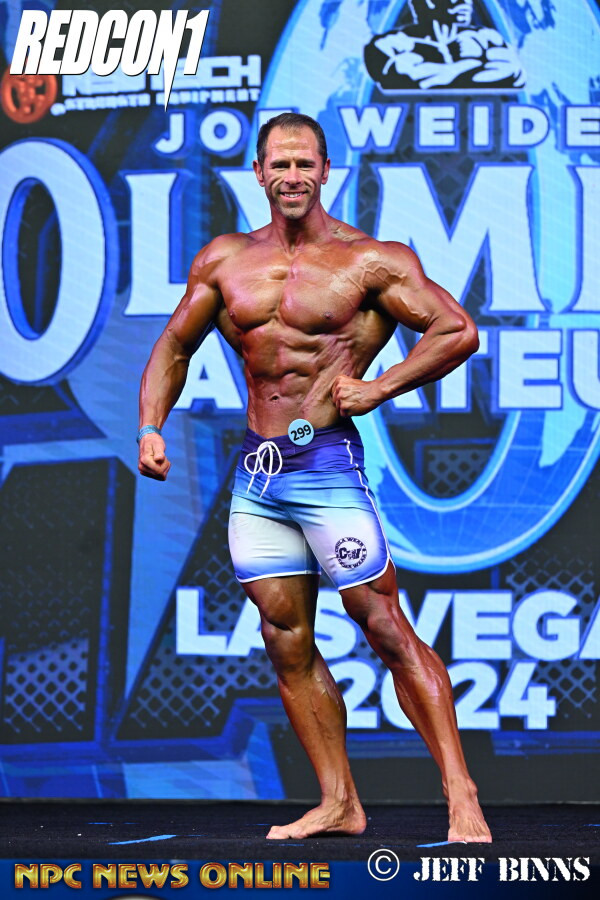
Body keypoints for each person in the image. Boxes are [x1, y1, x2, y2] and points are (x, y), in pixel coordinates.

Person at [137, 112, 492, 843]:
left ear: (326, 171)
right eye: (280, 164)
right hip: (259, 475)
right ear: (259, 173)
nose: (292, 176)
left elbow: (457, 329)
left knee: (383, 624)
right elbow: (174, 344)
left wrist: (380, 386)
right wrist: (150, 425)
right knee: (285, 637)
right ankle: (338, 803)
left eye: (305, 163)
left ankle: (462, 794)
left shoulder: (371, 261)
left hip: (327, 461)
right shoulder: (225, 260)